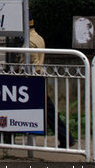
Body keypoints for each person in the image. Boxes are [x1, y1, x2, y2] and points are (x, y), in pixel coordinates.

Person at [21, 18, 74, 148]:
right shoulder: (39, 38)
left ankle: (66, 138)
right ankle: (66, 138)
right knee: (48, 112)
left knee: (46, 112)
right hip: (36, 80)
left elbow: (34, 65)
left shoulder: (29, 42)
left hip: (30, 81)